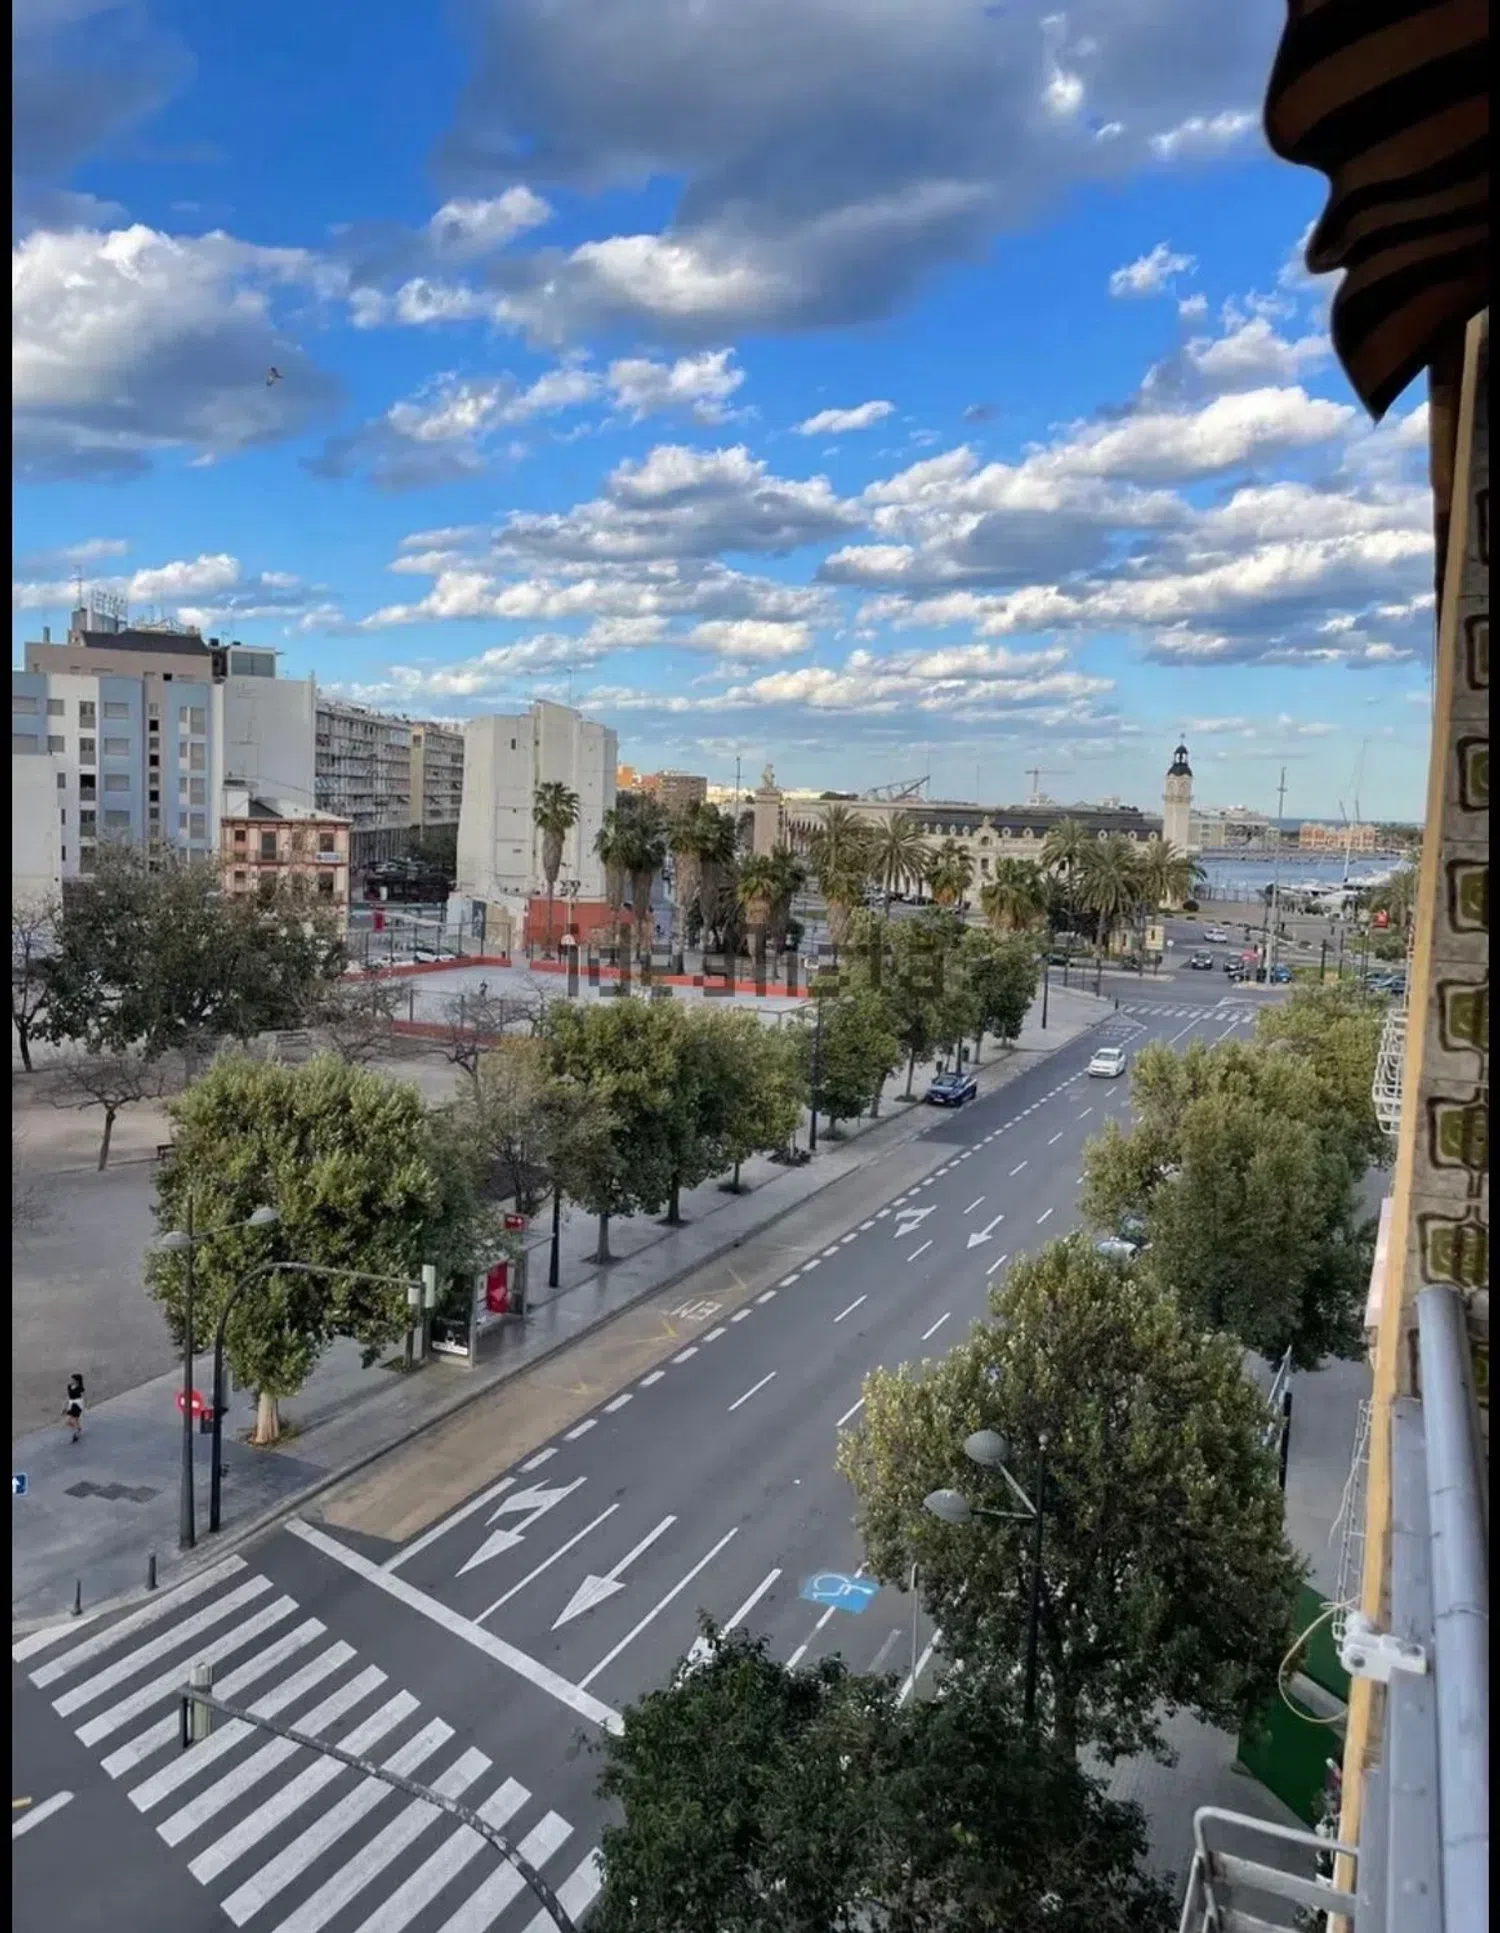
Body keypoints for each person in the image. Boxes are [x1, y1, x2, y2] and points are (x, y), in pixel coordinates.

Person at [62, 1372, 85, 1444]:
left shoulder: (80, 1388)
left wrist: (85, 1405)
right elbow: (68, 1396)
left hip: (77, 1404)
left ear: (76, 1381)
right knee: (75, 1420)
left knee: (70, 1421)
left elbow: (83, 1396)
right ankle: (78, 1429)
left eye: (72, 1379)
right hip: (71, 1404)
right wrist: (65, 1406)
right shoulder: (69, 1386)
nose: (71, 1380)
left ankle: (75, 1434)